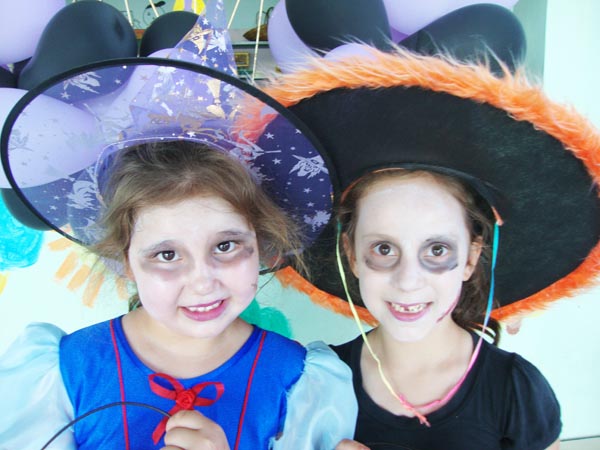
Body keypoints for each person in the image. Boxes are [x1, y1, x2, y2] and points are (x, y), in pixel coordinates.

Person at [0, 9, 356, 448]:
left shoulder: (302, 383)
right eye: (166, 255)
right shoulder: (60, 372)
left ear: (260, 241)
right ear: (125, 259)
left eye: (226, 246)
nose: (202, 281)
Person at [265, 47, 600, 450]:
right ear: (351, 254)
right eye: (384, 249)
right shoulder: (319, 381)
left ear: (471, 257)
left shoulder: (514, 389)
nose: (408, 281)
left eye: (437, 250)